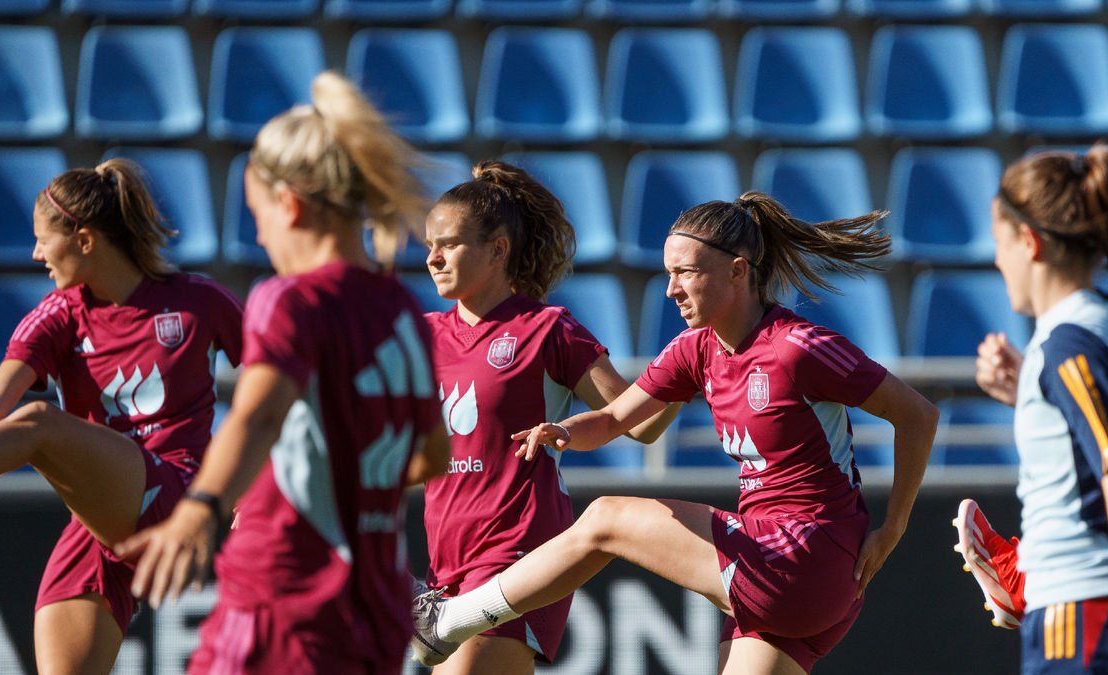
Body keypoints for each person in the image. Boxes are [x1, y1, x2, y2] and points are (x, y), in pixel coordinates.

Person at [411, 191, 939, 675]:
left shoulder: (797, 345)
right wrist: (566, 430)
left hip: (802, 554)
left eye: (685, 273)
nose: (671, 290)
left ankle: (448, 622)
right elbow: (619, 419)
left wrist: (892, 527)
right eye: (668, 274)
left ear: (736, 271)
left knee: (607, 518)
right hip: (792, 578)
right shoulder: (696, 348)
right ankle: (447, 621)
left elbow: (918, 415)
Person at [115, 71, 450, 675]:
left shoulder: (289, 300)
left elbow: (260, 413)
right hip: (375, 609)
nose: (262, 236)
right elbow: (430, 455)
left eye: (257, 216)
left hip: (282, 599)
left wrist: (201, 509)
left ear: (289, 204)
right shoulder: (401, 309)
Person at [0, 157, 243, 674]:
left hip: (174, 492)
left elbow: (279, 383)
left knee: (40, 425)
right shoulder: (59, 314)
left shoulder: (199, 301)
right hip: (98, 523)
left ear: (85, 240)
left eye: (44, 239)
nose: (36, 253)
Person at [417, 160, 679, 674]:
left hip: (518, 554)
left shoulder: (547, 329)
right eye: (429, 245)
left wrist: (688, 361)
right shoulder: (421, 335)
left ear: (497, 249)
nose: (432, 258)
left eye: (448, 244)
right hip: (443, 563)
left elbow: (639, 423)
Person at [951, 144, 1108, 673]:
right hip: (1096, 608)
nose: (996, 259)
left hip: (1086, 614)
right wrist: (1030, 386)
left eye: (1000, 242)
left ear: (1030, 242)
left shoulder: (1070, 344)